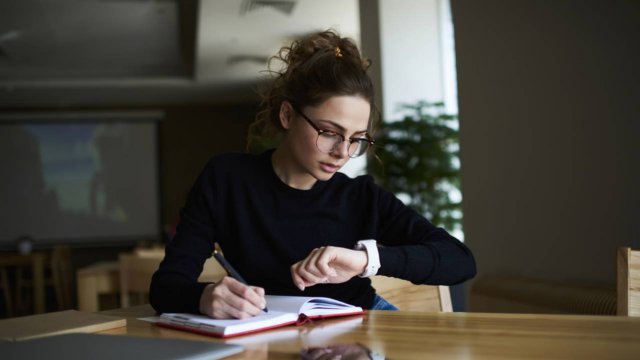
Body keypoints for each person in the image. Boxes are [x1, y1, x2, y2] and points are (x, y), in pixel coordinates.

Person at [150, 30, 476, 319]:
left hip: (363, 324)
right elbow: (165, 287)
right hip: (273, 332)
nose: (343, 152)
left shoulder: (361, 196)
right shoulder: (226, 180)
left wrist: (364, 260)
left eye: (356, 139)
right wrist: (205, 297)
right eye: (330, 132)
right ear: (288, 115)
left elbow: (460, 260)